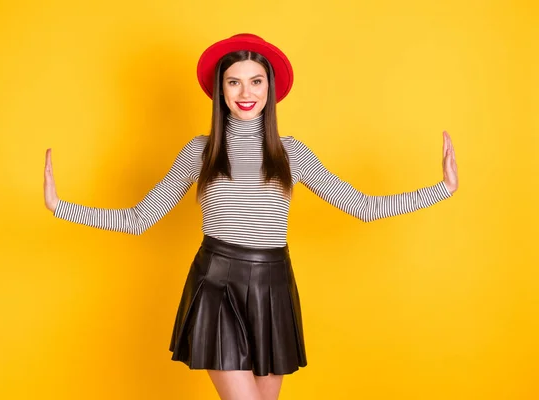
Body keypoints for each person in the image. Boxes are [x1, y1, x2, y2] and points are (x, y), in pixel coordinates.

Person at [43, 33, 459, 400]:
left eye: (256, 81)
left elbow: (362, 207)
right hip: (216, 285)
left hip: (273, 287)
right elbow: (139, 218)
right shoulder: (200, 151)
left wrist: (442, 189)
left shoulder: (291, 152)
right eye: (234, 81)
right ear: (220, 90)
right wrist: (61, 206)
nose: (246, 91)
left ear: (270, 88)